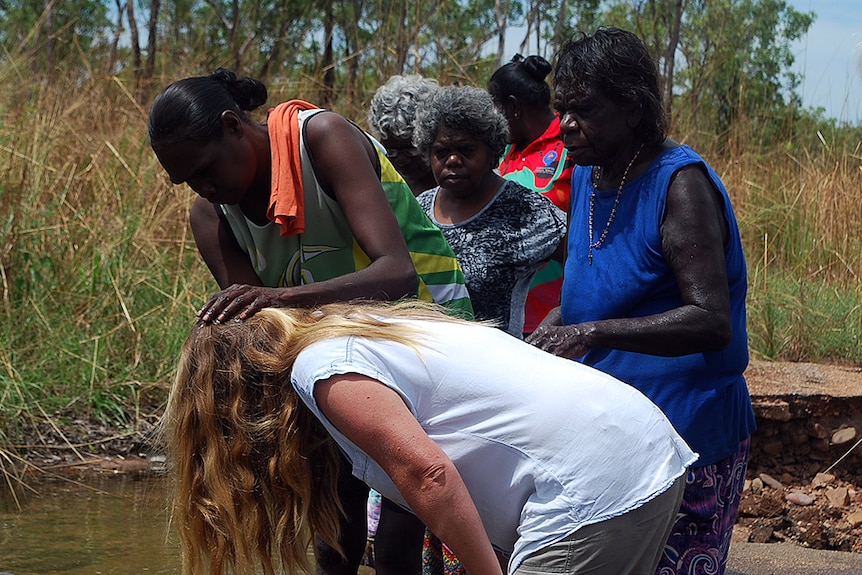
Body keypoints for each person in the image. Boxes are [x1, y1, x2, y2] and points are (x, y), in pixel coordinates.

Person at [148, 68, 473, 575]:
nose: (205, 187)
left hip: (427, 334)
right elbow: (258, 324)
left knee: (396, 539)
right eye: (188, 180)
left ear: (235, 126)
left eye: (207, 169)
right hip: (338, 356)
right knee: (334, 534)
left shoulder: (320, 138)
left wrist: (280, 295)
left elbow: (397, 274)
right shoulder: (212, 216)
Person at [163, 300, 698, 575]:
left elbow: (429, 474)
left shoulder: (319, 368)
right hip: (639, 447)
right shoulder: (362, 327)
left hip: (591, 483)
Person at [527, 27, 757, 575]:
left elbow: (710, 320)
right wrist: (550, 333)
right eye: (562, 110)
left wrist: (592, 334)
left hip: (684, 438)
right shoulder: (587, 172)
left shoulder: (679, 185)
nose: (565, 127)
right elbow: (593, 292)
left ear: (632, 109)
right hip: (609, 431)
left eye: (583, 110)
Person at [413, 85, 566, 336]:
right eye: (442, 152)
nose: (453, 161)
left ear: (492, 151)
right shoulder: (420, 209)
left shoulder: (521, 207)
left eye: (466, 150)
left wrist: (559, 314)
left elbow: (582, 260)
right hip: (428, 360)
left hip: (498, 364)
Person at [488, 54, 575, 335]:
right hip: (506, 313)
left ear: (512, 107)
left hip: (557, 311)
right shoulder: (502, 152)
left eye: (494, 108)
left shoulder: (571, 145)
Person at [367, 74, 440, 195]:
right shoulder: (380, 183)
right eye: (391, 152)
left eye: (410, 151)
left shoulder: (455, 182)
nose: (401, 161)